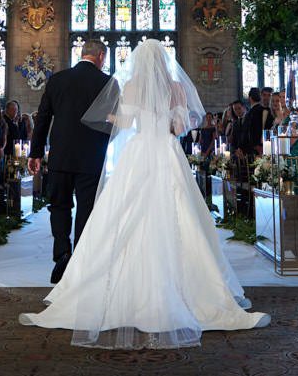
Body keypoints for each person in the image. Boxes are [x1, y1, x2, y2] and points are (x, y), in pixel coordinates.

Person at [20, 39, 269, 347]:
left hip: (136, 153)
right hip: (165, 153)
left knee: (123, 212)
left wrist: (114, 118)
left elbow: (122, 123)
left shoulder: (130, 86)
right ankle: (189, 289)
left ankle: (84, 271)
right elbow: (180, 127)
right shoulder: (176, 88)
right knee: (177, 211)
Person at [28, 39, 112, 284]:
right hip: (92, 156)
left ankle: (62, 254)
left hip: (61, 155)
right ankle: (81, 261)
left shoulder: (57, 80)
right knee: (86, 208)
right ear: (101, 56)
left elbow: (42, 119)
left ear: (83, 54)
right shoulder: (107, 82)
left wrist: (35, 153)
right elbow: (111, 123)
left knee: (59, 205)